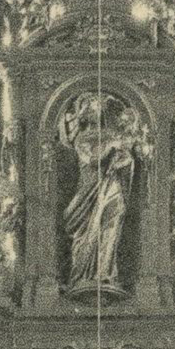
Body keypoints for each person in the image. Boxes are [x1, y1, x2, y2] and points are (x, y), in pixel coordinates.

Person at [60, 91, 145, 293]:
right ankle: (80, 276)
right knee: (85, 234)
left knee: (111, 226)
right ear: (83, 114)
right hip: (87, 193)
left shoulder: (113, 135)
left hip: (112, 185)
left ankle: (105, 273)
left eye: (98, 106)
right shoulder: (82, 139)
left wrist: (126, 158)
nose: (96, 110)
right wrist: (111, 146)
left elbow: (128, 159)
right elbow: (92, 160)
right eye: (91, 107)